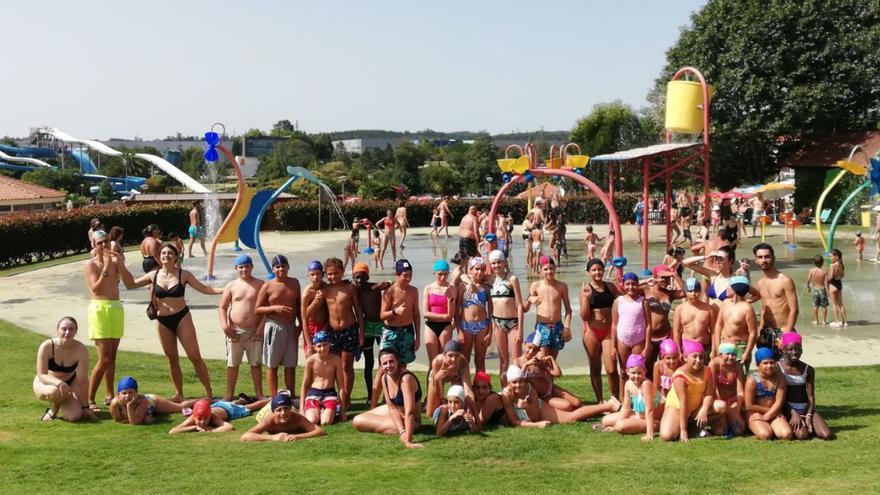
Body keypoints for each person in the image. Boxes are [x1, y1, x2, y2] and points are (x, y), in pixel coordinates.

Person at [118, 243, 223, 400]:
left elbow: (205, 289)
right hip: (163, 321)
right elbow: (130, 284)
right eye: (163, 253)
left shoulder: (184, 274)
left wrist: (225, 289)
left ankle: (209, 393)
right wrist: (120, 264)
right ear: (159, 257)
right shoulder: (153, 275)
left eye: (169, 253)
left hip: (182, 317)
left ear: (175, 257)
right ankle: (179, 394)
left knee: (194, 356)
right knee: (172, 358)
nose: (166, 255)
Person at [82, 230, 125, 411]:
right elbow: (96, 289)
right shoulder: (90, 265)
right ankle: (89, 398)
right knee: (104, 358)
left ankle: (109, 394)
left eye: (105, 241)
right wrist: (106, 267)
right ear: (93, 244)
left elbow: (122, 282)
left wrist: (119, 264)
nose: (103, 245)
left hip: (115, 307)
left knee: (112, 357)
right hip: (100, 309)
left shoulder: (114, 261)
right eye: (99, 243)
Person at [500, 365, 616, 428]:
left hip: (540, 409)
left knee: (571, 418)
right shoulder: (506, 395)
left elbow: (536, 417)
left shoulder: (531, 390)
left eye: (521, 381)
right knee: (572, 415)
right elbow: (515, 422)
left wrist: (528, 407)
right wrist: (536, 425)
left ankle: (609, 406)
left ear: (525, 381)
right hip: (530, 415)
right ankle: (605, 409)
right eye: (514, 382)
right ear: (509, 383)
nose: (518, 385)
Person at [352, 350, 424, 449]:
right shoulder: (385, 378)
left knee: (361, 423)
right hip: (396, 412)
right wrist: (402, 430)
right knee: (357, 420)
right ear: (381, 366)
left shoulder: (406, 379)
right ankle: (393, 426)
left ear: (397, 362)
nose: (388, 365)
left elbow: (410, 412)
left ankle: (396, 427)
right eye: (385, 363)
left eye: (391, 361)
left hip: (412, 421)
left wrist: (408, 440)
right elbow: (392, 408)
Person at [319, 257, 363, 413]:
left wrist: (361, 333)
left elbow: (358, 311)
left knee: (346, 366)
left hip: (349, 330)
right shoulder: (324, 291)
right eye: (329, 274)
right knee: (333, 366)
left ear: (342, 272)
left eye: (336, 273)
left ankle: (346, 397)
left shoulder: (350, 288)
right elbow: (319, 313)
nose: (332, 277)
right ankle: (335, 397)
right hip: (333, 332)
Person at [659, 340, 727, 442]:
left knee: (721, 406)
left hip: (695, 408)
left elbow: (709, 394)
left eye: (701, 357)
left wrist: (704, 409)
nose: (698, 360)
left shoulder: (707, 370)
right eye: (694, 357)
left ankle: (693, 426)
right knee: (667, 436)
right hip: (677, 407)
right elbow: (683, 403)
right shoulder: (679, 375)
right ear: (686, 357)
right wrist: (683, 430)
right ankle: (688, 427)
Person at [218, 254, 265, 401]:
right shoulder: (231, 286)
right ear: (236, 269)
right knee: (233, 364)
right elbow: (222, 307)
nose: (244, 269)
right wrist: (225, 326)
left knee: (256, 364)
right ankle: (229, 394)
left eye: (247, 266)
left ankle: (259, 394)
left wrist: (261, 328)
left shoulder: (260, 284)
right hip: (235, 332)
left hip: (254, 332)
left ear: (252, 267)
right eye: (241, 267)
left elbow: (266, 308)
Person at [255, 255, 302, 397]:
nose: (281, 269)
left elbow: (299, 305)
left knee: (290, 365)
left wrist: (300, 326)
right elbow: (257, 309)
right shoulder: (267, 286)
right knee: (272, 364)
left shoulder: (295, 283)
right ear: (273, 269)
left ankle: (291, 395)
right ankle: (274, 397)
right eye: (278, 267)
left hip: (291, 326)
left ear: (288, 267)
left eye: (284, 266)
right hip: (274, 326)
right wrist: (274, 308)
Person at [34, 316, 95, 422]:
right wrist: (60, 383)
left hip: (69, 384)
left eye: (71, 329)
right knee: (54, 391)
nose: (67, 332)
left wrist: (86, 407)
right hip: (46, 382)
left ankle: (65, 400)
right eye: (64, 329)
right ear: (57, 330)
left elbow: (83, 380)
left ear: (76, 331)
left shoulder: (81, 350)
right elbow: (42, 375)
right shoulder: (47, 346)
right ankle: (54, 408)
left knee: (74, 417)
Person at [778, 332, 832, 440]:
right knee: (803, 436)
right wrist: (793, 413)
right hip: (787, 408)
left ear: (802, 350)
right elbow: (778, 397)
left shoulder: (808, 369)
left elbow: (810, 396)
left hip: (805, 407)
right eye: (790, 349)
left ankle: (806, 423)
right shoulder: (777, 368)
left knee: (826, 435)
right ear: (783, 350)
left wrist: (809, 415)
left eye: (798, 349)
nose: (795, 352)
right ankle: (790, 423)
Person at [580, 258, 620, 402]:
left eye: (600, 269)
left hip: (609, 332)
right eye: (594, 270)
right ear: (589, 272)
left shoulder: (610, 287)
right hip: (592, 332)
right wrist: (585, 299)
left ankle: (615, 400)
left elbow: (623, 301)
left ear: (603, 270)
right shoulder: (586, 289)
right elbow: (584, 316)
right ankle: (600, 401)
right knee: (595, 368)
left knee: (611, 369)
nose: (597, 272)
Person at [352, 262, 390, 404]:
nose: (359, 280)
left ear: (367, 276)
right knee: (369, 363)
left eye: (362, 277)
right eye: (357, 277)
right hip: (366, 327)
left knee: (385, 360)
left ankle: (387, 394)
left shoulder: (374, 287)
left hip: (380, 326)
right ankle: (370, 395)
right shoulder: (354, 289)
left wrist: (386, 283)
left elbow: (391, 283)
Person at [600, 354, 660, 441]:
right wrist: (615, 426)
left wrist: (649, 433)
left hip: (655, 420)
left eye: (639, 373)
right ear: (627, 371)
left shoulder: (646, 384)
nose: (636, 376)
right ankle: (628, 423)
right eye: (633, 373)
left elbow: (649, 410)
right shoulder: (628, 384)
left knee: (621, 426)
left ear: (645, 371)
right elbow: (625, 408)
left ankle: (657, 427)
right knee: (605, 420)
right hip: (638, 416)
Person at [517, 332, 582, 411]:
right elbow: (518, 380)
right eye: (529, 347)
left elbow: (558, 374)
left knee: (578, 403)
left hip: (551, 388)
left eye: (534, 350)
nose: (531, 352)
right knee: (568, 406)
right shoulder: (518, 362)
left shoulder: (538, 361)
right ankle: (549, 407)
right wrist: (526, 365)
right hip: (542, 396)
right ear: (524, 344)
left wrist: (551, 358)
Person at [611, 272, 652, 394]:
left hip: (638, 340)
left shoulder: (643, 302)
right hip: (622, 340)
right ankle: (624, 402)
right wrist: (613, 346)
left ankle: (639, 400)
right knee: (624, 372)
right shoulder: (619, 301)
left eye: (634, 284)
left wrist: (647, 346)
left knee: (639, 372)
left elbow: (649, 325)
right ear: (623, 285)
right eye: (627, 284)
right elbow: (614, 324)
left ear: (638, 285)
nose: (631, 287)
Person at [488, 250, 524, 386]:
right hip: (497, 324)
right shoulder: (490, 279)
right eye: (493, 263)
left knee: (516, 361)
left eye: (499, 262)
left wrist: (520, 329)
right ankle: (505, 393)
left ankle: (518, 393)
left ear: (504, 262)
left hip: (513, 323)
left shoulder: (512, 279)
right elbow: (468, 274)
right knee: (503, 362)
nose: (496, 265)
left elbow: (520, 305)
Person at [752, 243, 799, 349]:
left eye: (767, 257)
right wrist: (759, 332)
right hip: (766, 332)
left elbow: (794, 309)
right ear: (756, 260)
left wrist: (787, 333)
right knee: (765, 364)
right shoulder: (760, 284)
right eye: (760, 257)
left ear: (773, 258)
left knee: (784, 365)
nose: (763, 260)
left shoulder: (785, 280)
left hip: (783, 331)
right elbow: (764, 309)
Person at [527, 258, 572, 359]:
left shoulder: (562, 286)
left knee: (552, 360)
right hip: (542, 326)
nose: (549, 271)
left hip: (557, 326)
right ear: (541, 270)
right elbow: (525, 308)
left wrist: (567, 327)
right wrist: (530, 298)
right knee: (543, 357)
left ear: (555, 269)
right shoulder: (535, 285)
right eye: (546, 269)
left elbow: (568, 310)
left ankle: (550, 375)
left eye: (551, 268)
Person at [745, 347, 793, 440]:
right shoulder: (752, 380)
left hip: (774, 412)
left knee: (786, 434)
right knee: (766, 435)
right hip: (755, 413)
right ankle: (757, 426)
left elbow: (779, 401)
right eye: (765, 363)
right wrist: (769, 413)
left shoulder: (780, 378)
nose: (769, 366)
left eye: (772, 362)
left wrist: (768, 416)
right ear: (758, 364)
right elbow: (749, 406)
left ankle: (769, 425)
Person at [713, 275, 758, 374]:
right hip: (724, 344)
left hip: (740, 347)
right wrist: (717, 346)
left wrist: (747, 352)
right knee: (723, 374)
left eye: (729, 286)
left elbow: (753, 333)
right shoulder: (726, 303)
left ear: (734, 289)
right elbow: (718, 325)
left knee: (740, 376)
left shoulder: (747, 308)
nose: (726, 289)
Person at [380, 259, 420, 368]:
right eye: (405, 275)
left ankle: (400, 385)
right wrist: (394, 312)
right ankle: (377, 386)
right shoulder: (390, 291)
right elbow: (382, 315)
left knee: (403, 365)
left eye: (410, 275)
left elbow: (416, 314)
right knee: (384, 365)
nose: (408, 278)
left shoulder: (414, 291)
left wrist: (418, 337)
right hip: (390, 331)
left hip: (407, 330)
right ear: (397, 275)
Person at [299, 331, 345, 425]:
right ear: (314, 347)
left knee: (326, 422)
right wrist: (301, 408)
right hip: (314, 393)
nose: (322, 348)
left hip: (330, 393)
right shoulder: (311, 361)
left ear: (329, 345)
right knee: (312, 420)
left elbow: (341, 386)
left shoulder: (336, 360)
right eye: (319, 346)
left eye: (325, 345)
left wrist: (342, 411)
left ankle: (326, 410)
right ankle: (318, 410)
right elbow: (304, 385)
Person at [109, 376, 196, 425]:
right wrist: (143, 419)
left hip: (153, 402)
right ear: (118, 394)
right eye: (124, 393)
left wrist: (130, 406)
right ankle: (176, 399)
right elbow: (118, 420)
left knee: (180, 407)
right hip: (146, 409)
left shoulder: (142, 400)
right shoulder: (115, 404)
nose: (127, 396)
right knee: (171, 403)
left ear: (136, 393)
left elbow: (135, 422)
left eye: (131, 392)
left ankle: (203, 400)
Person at [456, 257, 493, 372]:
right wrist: (459, 331)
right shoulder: (462, 286)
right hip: (466, 326)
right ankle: (463, 387)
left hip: (482, 326)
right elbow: (457, 311)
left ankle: (481, 388)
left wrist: (490, 332)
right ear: (470, 270)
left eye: (482, 269)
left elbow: (491, 311)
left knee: (480, 360)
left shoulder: (486, 288)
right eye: (476, 269)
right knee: (464, 360)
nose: (479, 272)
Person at [644, 265, 685, 368]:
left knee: (666, 367)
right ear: (655, 277)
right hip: (650, 337)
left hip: (665, 335)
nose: (665, 280)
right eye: (662, 277)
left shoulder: (669, 294)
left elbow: (686, 292)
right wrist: (647, 281)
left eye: (667, 278)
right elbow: (625, 287)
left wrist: (674, 275)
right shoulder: (646, 290)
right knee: (648, 366)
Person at [241, 393, 326, 442]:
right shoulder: (268, 420)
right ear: (274, 412)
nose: (283, 413)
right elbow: (245, 436)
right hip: (266, 409)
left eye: (286, 409)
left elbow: (320, 431)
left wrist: (298, 436)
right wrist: (272, 437)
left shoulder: (297, 418)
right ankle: (260, 401)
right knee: (263, 404)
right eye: (279, 410)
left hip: (287, 407)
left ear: (290, 408)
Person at [169, 397, 271, 434]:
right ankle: (240, 400)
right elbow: (173, 431)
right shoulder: (194, 417)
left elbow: (229, 427)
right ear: (194, 416)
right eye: (199, 419)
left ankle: (269, 400)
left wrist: (212, 431)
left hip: (229, 410)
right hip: (216, 405)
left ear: (209, 416)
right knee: (236, 403)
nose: (202, 422)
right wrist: (194, 427)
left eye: (205, 419)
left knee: (251, 407)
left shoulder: (213, 417)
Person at [425, 340, 474, 417]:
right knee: (430, 413)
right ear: (444, 354)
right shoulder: (437, 361)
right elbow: (436, 382)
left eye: (457, 355)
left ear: (461, 355)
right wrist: (442, 399)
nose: (453, 359)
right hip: (437, 378)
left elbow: (468, 390)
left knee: (460, 404)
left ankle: (455, 411)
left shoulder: (463, 363)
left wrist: (473, 410)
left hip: (456, 378)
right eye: (450, 355)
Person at [710, 342, 746, 436]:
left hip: (733, 402)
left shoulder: (738, 366)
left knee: (739, 430)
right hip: (719, 401)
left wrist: (737, 411)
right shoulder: (714, 364)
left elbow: (740, 391)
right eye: (728, 354)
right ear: (720, 355)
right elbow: (713, 388)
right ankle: (722, 420)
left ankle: (732, 419)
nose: (731, 357)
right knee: (720, 431)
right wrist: (722, 406)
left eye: (734, 354)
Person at [423, 259, 455, 367]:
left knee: (443, 361)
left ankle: (441, 383)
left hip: (445, 327)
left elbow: (451, 315)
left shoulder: (452, 289)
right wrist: (444, 316)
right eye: (440, 274)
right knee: (432, 362)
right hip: (430, 325)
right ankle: (431, 384)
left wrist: (449, 297)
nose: (442, 277)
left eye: (446, 274)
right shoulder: (428, 288)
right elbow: (425, 313)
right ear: (434, 273)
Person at [672, 278, 716, 354]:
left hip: (704, 345)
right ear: (685, 292)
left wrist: (714, 350)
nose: (693, 294)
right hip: (687, 346)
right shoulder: (680, 309)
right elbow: (676, 331)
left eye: (696, 291)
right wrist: (678, 350)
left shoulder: (709, 309)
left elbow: (714, 331)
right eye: (690, 291)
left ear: (700, 291)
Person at [301, 260, 329, 354]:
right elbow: (304, 319)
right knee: (312, 358)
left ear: (323, 274)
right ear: (308, 275)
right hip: (311, 328)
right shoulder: (306, 294)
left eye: (318, 274)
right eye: (312, 274)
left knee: (326, 360)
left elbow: (332, 312)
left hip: (325, 326)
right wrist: (309, 345)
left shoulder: (327, 288)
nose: (315, 277)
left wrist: (327, 326)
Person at [806, 255, 829, 325]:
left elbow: (808, 281)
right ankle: (824, 321)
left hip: (815, 289)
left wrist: (808, 288)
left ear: (813, 262)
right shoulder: (824, 272)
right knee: (824, 306)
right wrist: (828, 292)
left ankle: (816, 320)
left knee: (815, 306)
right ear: (822, 263)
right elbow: (826, 283)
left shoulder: (811, 271)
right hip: (822, 289)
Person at [828, 249, 847, 328]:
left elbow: (831, 276)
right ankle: (845, 322)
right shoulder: (841, 264)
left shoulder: (832, 265)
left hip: (833, 284)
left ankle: (837, 321)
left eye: (831, 256)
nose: (830, 258)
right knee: (841, 304)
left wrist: (827, 278)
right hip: (839, 284)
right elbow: (842, 275)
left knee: (834, 304)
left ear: (837, 257)